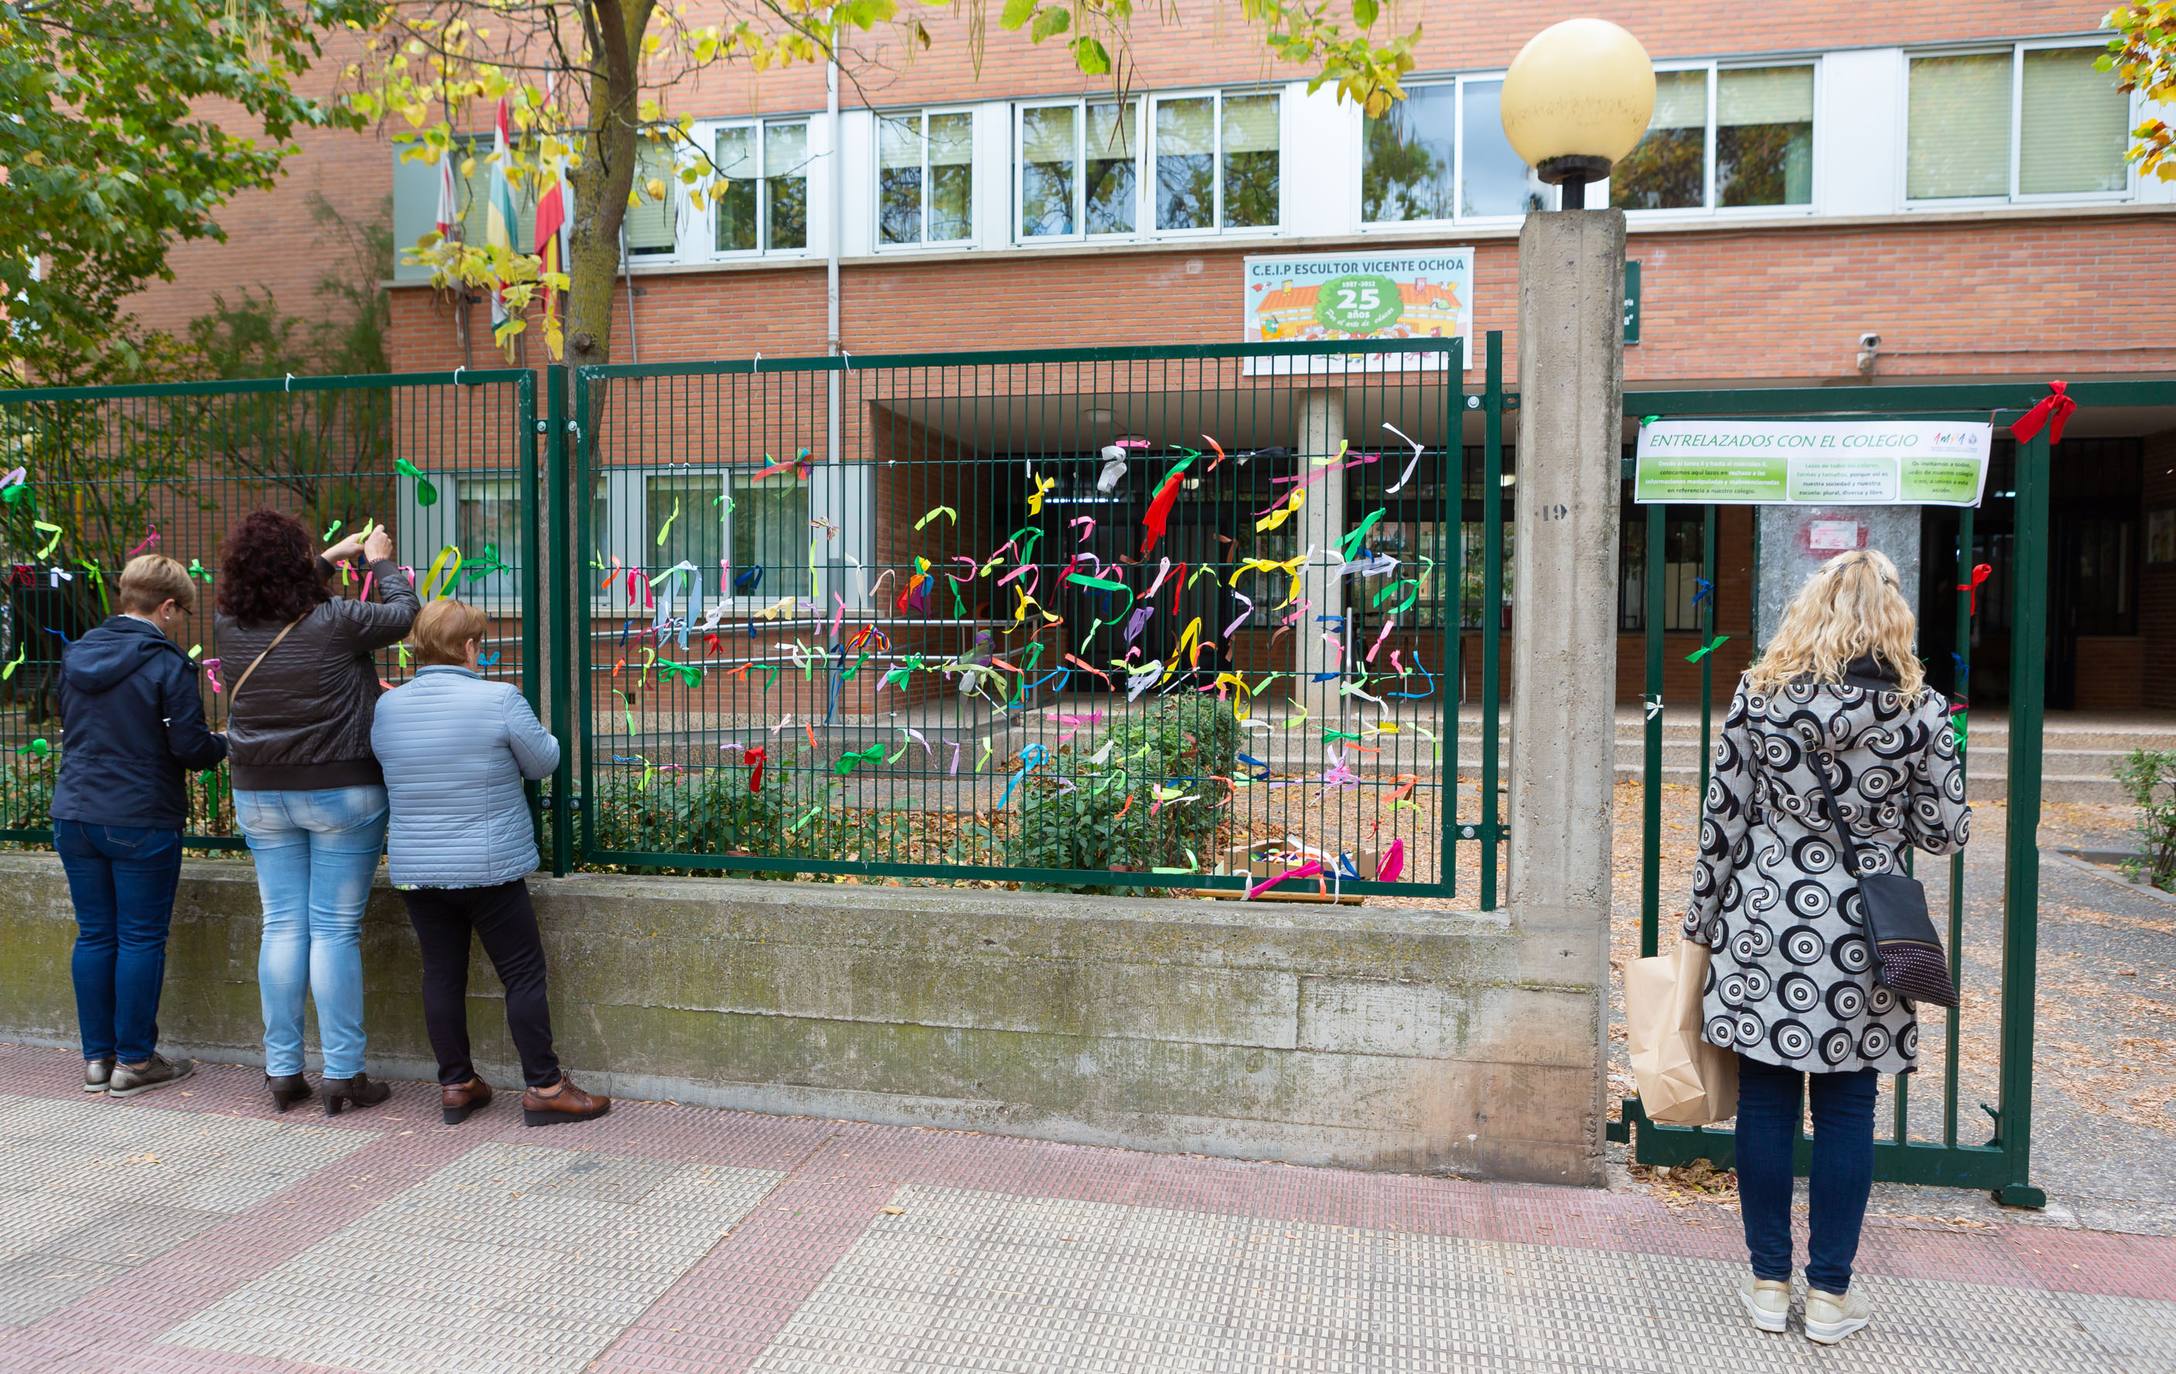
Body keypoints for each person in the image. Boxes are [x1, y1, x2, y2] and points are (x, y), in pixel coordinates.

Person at [1683, 548, 1969, 1346]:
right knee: (1848, 1106)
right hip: (1864, 930)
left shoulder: (1760, 696)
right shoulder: (1922, 711)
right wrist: (1888, 808)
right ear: (1894, 621)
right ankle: (1834, 1296)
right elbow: (1947, 832)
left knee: (1768, 1097)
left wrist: (1700, 924)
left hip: (1768, 914)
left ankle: (1769, 1283)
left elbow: (1723, 821)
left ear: (1809, 611)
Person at [371, 599, 609, 1127]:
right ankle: (545, 1088)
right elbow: (544, 761)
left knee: (441, 974)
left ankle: (456, 1084)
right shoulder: (499, 698)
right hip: (489, 866)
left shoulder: (388, 707)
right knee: (522, 973)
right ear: (469, 647)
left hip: (418, 866)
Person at [217, 512, 416, 1115]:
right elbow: (406, 616)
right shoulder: (336, 621)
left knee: (281, 925)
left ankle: (282, 1072)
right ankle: (344, 1076)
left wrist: (328, 556)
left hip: (258, 790)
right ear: (296, 565)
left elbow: (286, 591)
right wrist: (379, 558)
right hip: (340, 787)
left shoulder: (228, 624)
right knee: (332, 930)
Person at [50, 555, 228, 1097]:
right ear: (167, 605)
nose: (178, 623)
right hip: (140, 816)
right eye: (180, 613)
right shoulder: (166, 663)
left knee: (96, 933)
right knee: (141, 936)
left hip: (74, 812)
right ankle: (136, 1061)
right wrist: (227, 743)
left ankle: (97, 1061)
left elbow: (69, 721)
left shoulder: (77, 653)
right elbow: (191, 749)